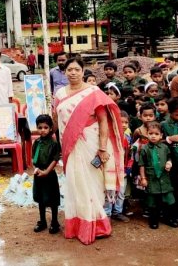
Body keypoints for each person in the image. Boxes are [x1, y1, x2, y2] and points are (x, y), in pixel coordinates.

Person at [53, 57, 124, 245]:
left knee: (91, 183)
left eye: (77, 69)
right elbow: (57, 121)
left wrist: (102, 147)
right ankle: (77, 224)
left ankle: (96, 224)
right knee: (74, 183)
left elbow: (103, 121)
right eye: (69, 70)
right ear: (65, 72)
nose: (73, 73)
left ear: (83, 72)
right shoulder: (60, 93)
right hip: (70, 145)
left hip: (90, 143)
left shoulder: (93, 92)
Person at [138, 121, 176, 229]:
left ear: (161, 135)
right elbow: (141, 165)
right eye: (151, 134)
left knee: (169, 199)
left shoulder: (165, 147)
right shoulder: (145, 149)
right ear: (147, 134)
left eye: (156, 134)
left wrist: (169, 162)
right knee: (152, 201)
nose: (153, 136)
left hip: (164, 178)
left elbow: (169, 157)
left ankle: (170, 219)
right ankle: (153, 221)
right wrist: (143, 178)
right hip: (151, 178)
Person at [32, 114, 61, 234]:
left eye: (45, 127)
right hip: (39, 175)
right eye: (40, 127)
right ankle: (42, 221)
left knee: (53, 200)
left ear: (50, 128)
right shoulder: (37, 142)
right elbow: (34, 158)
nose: (42, 130)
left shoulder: (54, 143)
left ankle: (54, 222)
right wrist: (37, 169)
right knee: (41, 199)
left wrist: (46, 171)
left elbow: (55, 160)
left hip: (49, 175)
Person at [104, 111, 130, 223]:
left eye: (126, 122)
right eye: (121, 122)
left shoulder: (128, 138)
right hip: (110, 169)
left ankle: (117, 212)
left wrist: (127, 169)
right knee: (109, 192)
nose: (123, 125)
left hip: (122, 170)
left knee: (121, 193)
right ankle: (107, 214)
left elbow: (130, 155)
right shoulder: (108, 137)